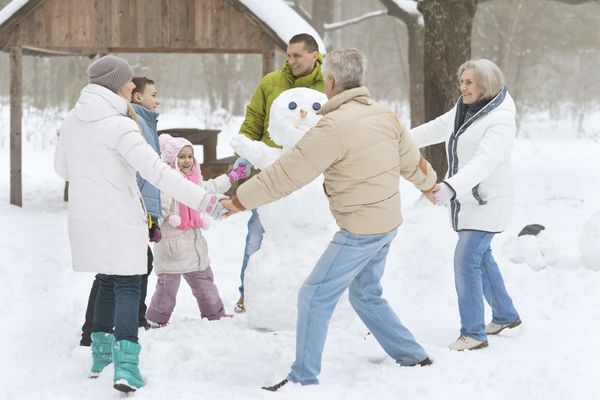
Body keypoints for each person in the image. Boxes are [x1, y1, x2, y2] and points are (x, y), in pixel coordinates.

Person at [222, 48, 437, 391]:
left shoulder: (333, 127)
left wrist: (239, 200)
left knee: (314, 295)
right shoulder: (385, 116)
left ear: (332, 82)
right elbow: (413, 161)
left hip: (360, 229)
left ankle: (303, 376)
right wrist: (430, 185)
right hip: (387, 222)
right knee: (365, 293)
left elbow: (286, 174)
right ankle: (412, 355)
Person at [54, 55, 227, 393]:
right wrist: (205, 200)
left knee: (106, 279)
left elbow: (63, 170)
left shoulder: (73, 120)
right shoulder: (120, 125)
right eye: (129, 80)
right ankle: (127, 366)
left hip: (85, 216)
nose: (133, 85)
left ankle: (101, 358)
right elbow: (158, 172)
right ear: (115, 83)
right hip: (120, 215)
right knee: (129, 283)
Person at [410, 59, 521, 351]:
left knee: (466, 259)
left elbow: (486, 161)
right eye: (462, 81)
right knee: (481, 258)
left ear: (486, 84)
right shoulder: (463, 107)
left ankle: (473, 333)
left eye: (469, 82)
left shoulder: (501, 119)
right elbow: (436, 129)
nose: (463, 87)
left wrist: (450, 186)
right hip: (469, 201)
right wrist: (400, 140)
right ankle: (505, 315)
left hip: (489, 201)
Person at [232, 33, 325, 313]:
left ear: (315, 56)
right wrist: (246, 157)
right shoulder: (272, 83)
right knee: (257, 234)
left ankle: (316, 296)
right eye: (288, 55)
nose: (291, 61)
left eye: (297, 55)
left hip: (314, 172)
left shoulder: (328, 85)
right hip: (274, 170)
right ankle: (247, 293)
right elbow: (253, 122)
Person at [78, 76, 162, 347]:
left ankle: (125, 320)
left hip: (136, 207)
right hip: (127, 208)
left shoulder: (146, 121)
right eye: (154, 94)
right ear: (137, 97)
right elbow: (141, 173)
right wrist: (145, 212)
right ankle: (94, 331)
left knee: (135, 265)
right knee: (115, 271)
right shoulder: (134, 122)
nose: (158, 100)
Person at [145, 134, 249, 326]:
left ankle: (214, 314)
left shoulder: (194, 181)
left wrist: (233, 176)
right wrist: (155, 225)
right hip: (171, 246)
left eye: (190, 156)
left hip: (193, 244)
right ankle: (156, 318)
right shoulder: (168, 184)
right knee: (167, 288)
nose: (187, 161)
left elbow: (211, 187)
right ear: (172, 160)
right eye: (181, 157)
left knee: (204, 281)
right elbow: (161, 208)